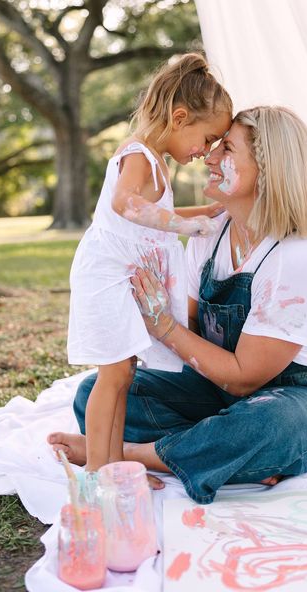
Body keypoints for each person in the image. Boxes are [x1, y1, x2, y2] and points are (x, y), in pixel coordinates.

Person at [49, 105, 307, 504]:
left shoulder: (296, 257)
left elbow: (245, 378)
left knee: (265, 427)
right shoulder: (208, 234)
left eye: (226, 147)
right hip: (219, 387)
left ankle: (131, 456)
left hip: (302, 396)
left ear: (268, 168)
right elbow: (194, 335)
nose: (208, 157)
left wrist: (164, 327)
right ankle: (220, 455)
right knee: (96, 391)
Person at [63, 53, 232, 480]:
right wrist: (182, 225)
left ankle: (114, 464)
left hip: (127, 277)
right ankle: (102, 473)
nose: (205, 151)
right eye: (207, 138)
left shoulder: (158, 163)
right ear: (179, 117)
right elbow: (126, 204)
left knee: (126, 371)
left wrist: (210, 211)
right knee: (114, 372)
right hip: (107, 275)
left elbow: (156, 210)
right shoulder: (137, 154)